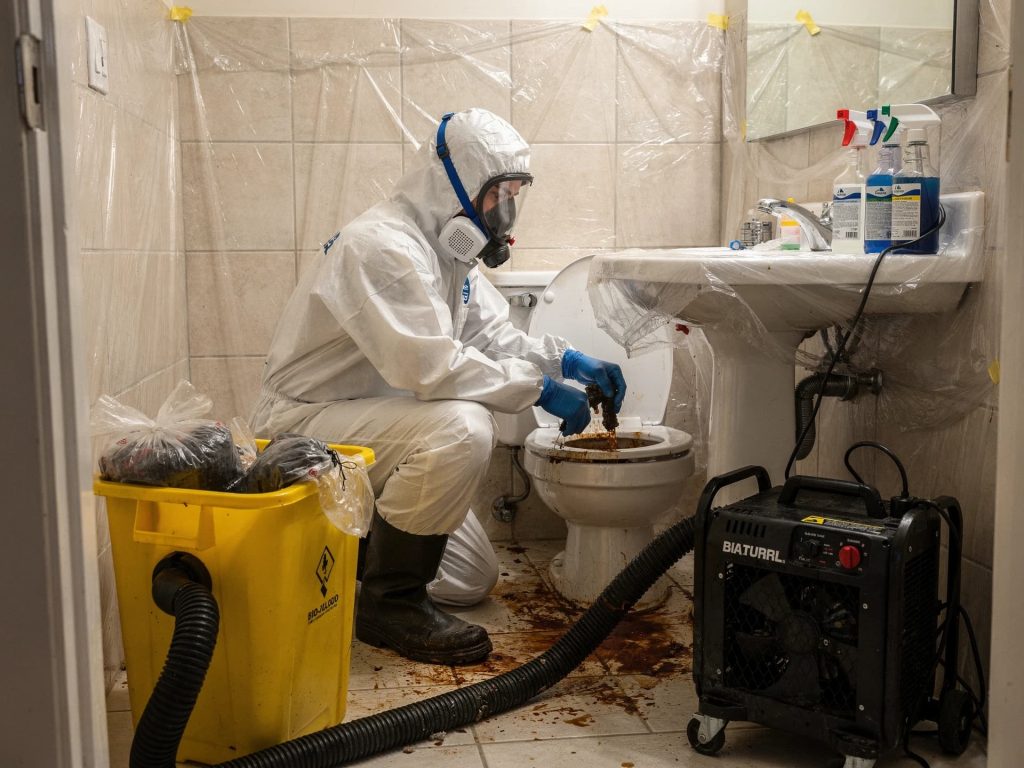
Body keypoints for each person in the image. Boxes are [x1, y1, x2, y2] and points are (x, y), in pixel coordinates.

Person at [251, 108, 627, 665]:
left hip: (370, 428)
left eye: (513, 196)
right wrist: (541, 391)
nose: (504, 213)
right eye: (497, 195)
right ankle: (390, 604)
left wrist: (565, 360)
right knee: (463, 426)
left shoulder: (448, 256)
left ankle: (341, 556)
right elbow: (431, 368)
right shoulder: (380, 247)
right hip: (303, 425)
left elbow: (492, 334)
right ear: (454, 183)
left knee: (470, 579)